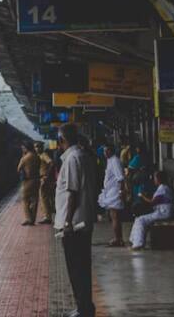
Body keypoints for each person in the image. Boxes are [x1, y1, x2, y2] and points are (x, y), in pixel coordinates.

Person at [55, 123, 97, 317]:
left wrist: (67, 222)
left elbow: (72, 193)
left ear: (62, 140)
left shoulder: (72, 159)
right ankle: (85, 306)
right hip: (83, 220)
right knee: (82, 266)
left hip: (75, 224)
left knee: (76, 268)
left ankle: (83, 309)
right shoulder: (83, 156)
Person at [129, 171, 173, 250]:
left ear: (159, 179)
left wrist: (142, 196)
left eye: (155, 178)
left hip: (163, 213)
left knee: (141, 220)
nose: (154, 180)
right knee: (138, 219)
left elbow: (152, 202)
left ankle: (138, 244)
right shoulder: (163, 187)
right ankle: (134, 241)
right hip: (160, 211)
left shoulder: (163, 188)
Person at [98, 145, 125, 247]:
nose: (104, 153)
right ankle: (119, 238)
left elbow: (120, 178)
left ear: (109, 150)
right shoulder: (110, 161)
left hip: (115, 192)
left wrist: (121, 191)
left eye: (105, 151)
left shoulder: (115, 161)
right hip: (110, 191)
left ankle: (118, 239)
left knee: (115, 216)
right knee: (114, 216)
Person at [17, 141, 40, 226]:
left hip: (28, 181)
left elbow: (18, 168)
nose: (22, 149)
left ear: (26, 148)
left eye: (23, 148)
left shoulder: (25, 158)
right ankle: (33, 219)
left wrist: (23, 156)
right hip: (36, 180)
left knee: (25, 199)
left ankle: (28, 218)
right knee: (34, 199)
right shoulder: (37, 157)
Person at [35, 141, 54, 224]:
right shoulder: (39, 155)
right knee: (44, 197)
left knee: (44, 198)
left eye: (38, 146)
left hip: (44, 178)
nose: (37, 148)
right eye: (35, 146)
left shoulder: (43, 155)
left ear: (42, 147)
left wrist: (47, 175)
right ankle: (46, 215)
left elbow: (51, 163)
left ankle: (47, 217)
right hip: (42, 178)